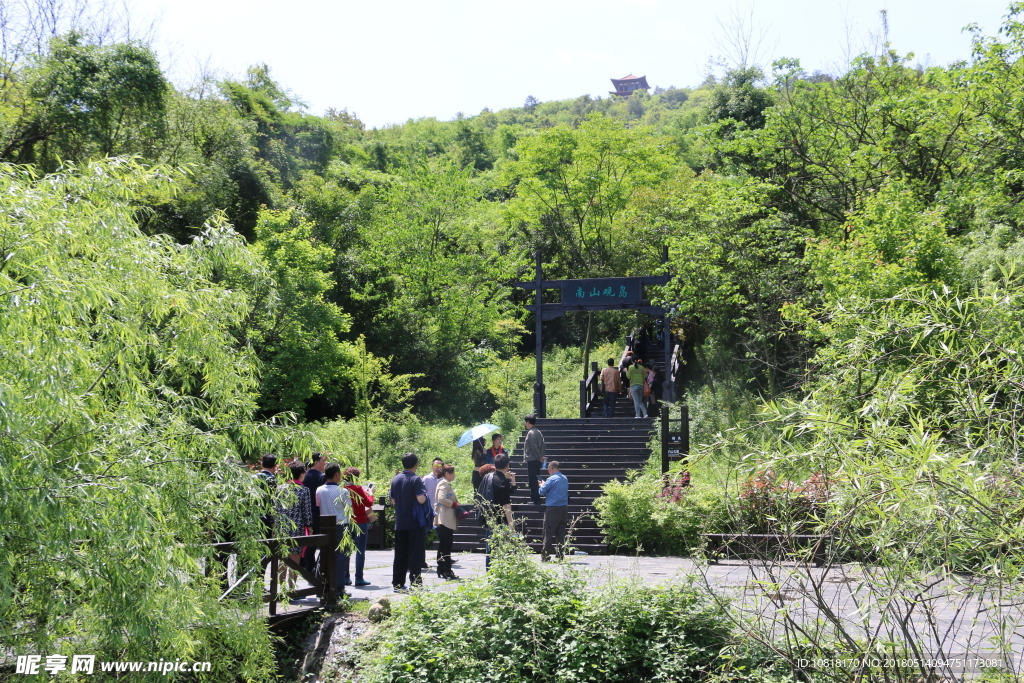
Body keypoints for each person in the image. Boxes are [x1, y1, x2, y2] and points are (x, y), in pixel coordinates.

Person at [390, 452, 427, 590]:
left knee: (400, 554)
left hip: (400, 522)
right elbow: (421, 499)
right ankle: (416, 584)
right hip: (415, 522)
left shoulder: (396, 479)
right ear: (416, 464)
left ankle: (397, 584)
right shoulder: (416, 479)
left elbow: (392, 500)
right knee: (415, 553)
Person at [275, 461, 313, 590]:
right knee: (295, 559)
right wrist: (310, 528)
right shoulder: (304, 490)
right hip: (296, 527)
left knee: (283, 559)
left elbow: (275, 509)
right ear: (302, 474)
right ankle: (291, 589)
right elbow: (307, 512)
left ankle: (281, 589)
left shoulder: (280, 488)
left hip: (281, 527)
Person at [478, 454, 517, 569]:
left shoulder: (488, 477)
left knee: (490, 549)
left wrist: (512, 480)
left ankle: (489, 574)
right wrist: (511, 524)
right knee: (500, 549)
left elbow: (510, 491)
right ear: (507, 465)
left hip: (489, 519)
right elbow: (506, 505)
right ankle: (497, 574)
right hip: (500, 521)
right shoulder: (503, 482)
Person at [315, 464, 351, 590]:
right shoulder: (343, 491)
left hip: (325, 526)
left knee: (324, 556)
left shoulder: (319, 490)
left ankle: (323, 585)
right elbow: (349, 510)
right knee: (341, 557)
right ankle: (339, 588)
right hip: (341, 526)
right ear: (336, 474)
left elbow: (318, 504)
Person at [342, 467, 375, 587]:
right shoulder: (358, 489)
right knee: (360, 551)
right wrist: (371, 494)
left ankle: (345, 577)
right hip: (360, 522)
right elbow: (369, 503)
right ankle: (359, 578)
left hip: (347, 522)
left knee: (346, 551)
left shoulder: (342, 489)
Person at [537, 461, 569, 561]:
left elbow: (542, 492)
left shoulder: (551, 479)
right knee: (561, 533)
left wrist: (542, 485)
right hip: (563, 508)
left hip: (552, 508)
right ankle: (560, 556)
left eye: (548, 468)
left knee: (548, 532)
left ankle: (545, 556)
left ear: (551, 467)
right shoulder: (564, 478)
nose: (547, 470)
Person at [433, 465, 461, 580]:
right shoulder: (444, 483)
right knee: (446, 546)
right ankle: (447, 570)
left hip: (445, 518)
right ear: (448, 474)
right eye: (452, 473)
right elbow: (441, 499)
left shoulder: (444, 483)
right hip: (445, 518)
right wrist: (454, 504)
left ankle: (441, 568)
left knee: (443, 545)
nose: (454, 475)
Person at [301, 453, 327, 573]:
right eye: (323, 461)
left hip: (305, 513)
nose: (324, 463)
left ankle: (308, 567)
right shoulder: (322, 476)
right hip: (318, 513)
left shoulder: (303, 476)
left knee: (309, 543)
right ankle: (319, 569)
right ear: (316, 462)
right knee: (323, 542)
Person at [421, 457, 444, 566]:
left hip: (439, 511)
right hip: (428, 511)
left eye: (440, 466)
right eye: (436, 465)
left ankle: (443, 558)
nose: (437, 468)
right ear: (432, 466)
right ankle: (421, 560)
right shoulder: (426, 479)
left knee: (443, 536)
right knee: (423, 536)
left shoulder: (443, 479)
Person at [522, 414, 545, 505]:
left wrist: (539, 456)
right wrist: (541, 456)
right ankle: (535, 499)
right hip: (537, 459)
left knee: (532, 480)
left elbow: (533, 447)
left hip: (532, 459)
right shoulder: (538, 432)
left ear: (528, 422)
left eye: (525, 422)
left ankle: (535, 499)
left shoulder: (531, 433)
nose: (525, 424)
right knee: (537, 478)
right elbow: (543, 445)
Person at [256, 454, 278, 534]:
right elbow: (274, 503)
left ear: (262, 464)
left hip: (254, 518)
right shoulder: (272, 481)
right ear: (275, 466)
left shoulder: (252, 479)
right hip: (268, 519)